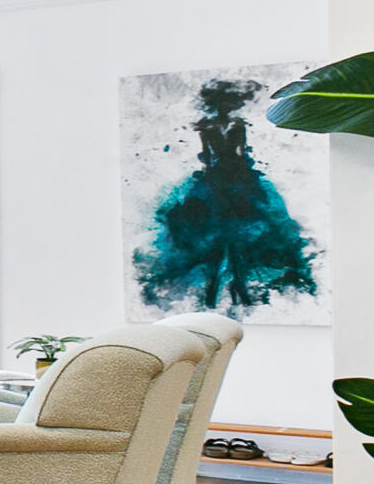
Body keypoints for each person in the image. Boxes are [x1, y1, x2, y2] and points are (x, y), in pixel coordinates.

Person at [134, 78, 318, 314]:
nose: (225, 108)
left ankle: (231, 291)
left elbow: (223, 156)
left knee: (235, 241)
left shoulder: (227, 126)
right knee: (220, 241)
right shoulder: (214, 127)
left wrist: (229, 175)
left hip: (232, 181)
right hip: (222, 182)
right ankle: (221, 292)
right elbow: (214, 156)